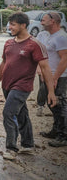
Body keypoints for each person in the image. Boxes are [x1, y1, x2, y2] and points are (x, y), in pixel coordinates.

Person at [0, 12, 57, 160]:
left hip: (22, 86)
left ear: (23, 25)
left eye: (13, 24)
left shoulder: (34, 44)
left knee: (8, 113)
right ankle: (28, 145)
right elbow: (4, 62)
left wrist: (50, 91)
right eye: (9, 24)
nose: (10, 27)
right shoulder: (8, 43)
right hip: (7, 84)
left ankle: (11, 148)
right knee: (22, 114)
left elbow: (45, 68)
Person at [36, 12, 67, 147]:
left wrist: (54, 78)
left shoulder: (61, 37)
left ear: (53, 21)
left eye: (44, 20)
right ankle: (56, 130)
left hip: (59, 77)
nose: (41, 23)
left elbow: (65, 59)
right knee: (51, 103)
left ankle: (63, 136)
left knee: (59, 104)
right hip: (48, 76)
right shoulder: (48, 35)